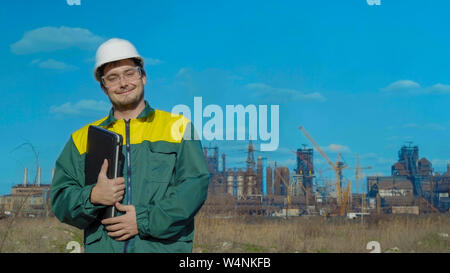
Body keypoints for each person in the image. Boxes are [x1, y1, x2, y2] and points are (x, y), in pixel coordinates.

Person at [50, 38, 210, 253]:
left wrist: (144, 220)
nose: (123, 83)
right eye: (113, 78)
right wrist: (93, 197)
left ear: (143, 76)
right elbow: (60, 199)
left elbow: (193, 187)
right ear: (104, 87)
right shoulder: (82, 138)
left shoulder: (179, 127)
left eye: (129, 73)